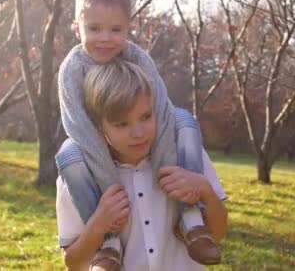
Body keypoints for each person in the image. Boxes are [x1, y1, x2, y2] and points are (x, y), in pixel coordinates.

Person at [55, 0, 221, 270]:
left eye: (115, 29)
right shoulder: (71, 71)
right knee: (69, 152)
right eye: (95, 29)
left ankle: (190, 218)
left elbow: (161, 105)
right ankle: (109, 243)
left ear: (128, 28)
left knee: (183, 118)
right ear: (76, 27)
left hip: (169, 160)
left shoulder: (139, 61)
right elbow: (78, 124)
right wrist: (102, 214)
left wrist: (192, 182)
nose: (105, 38)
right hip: (93, 148)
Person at [56, 60, 228, 270]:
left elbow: (218, 234)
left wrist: (205, 190)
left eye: (146, 117)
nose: (139, 133)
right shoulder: (80, 176)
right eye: (122, 124)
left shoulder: (185, 156)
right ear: (99, 127)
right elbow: (73, 263)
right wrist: (97, 226)